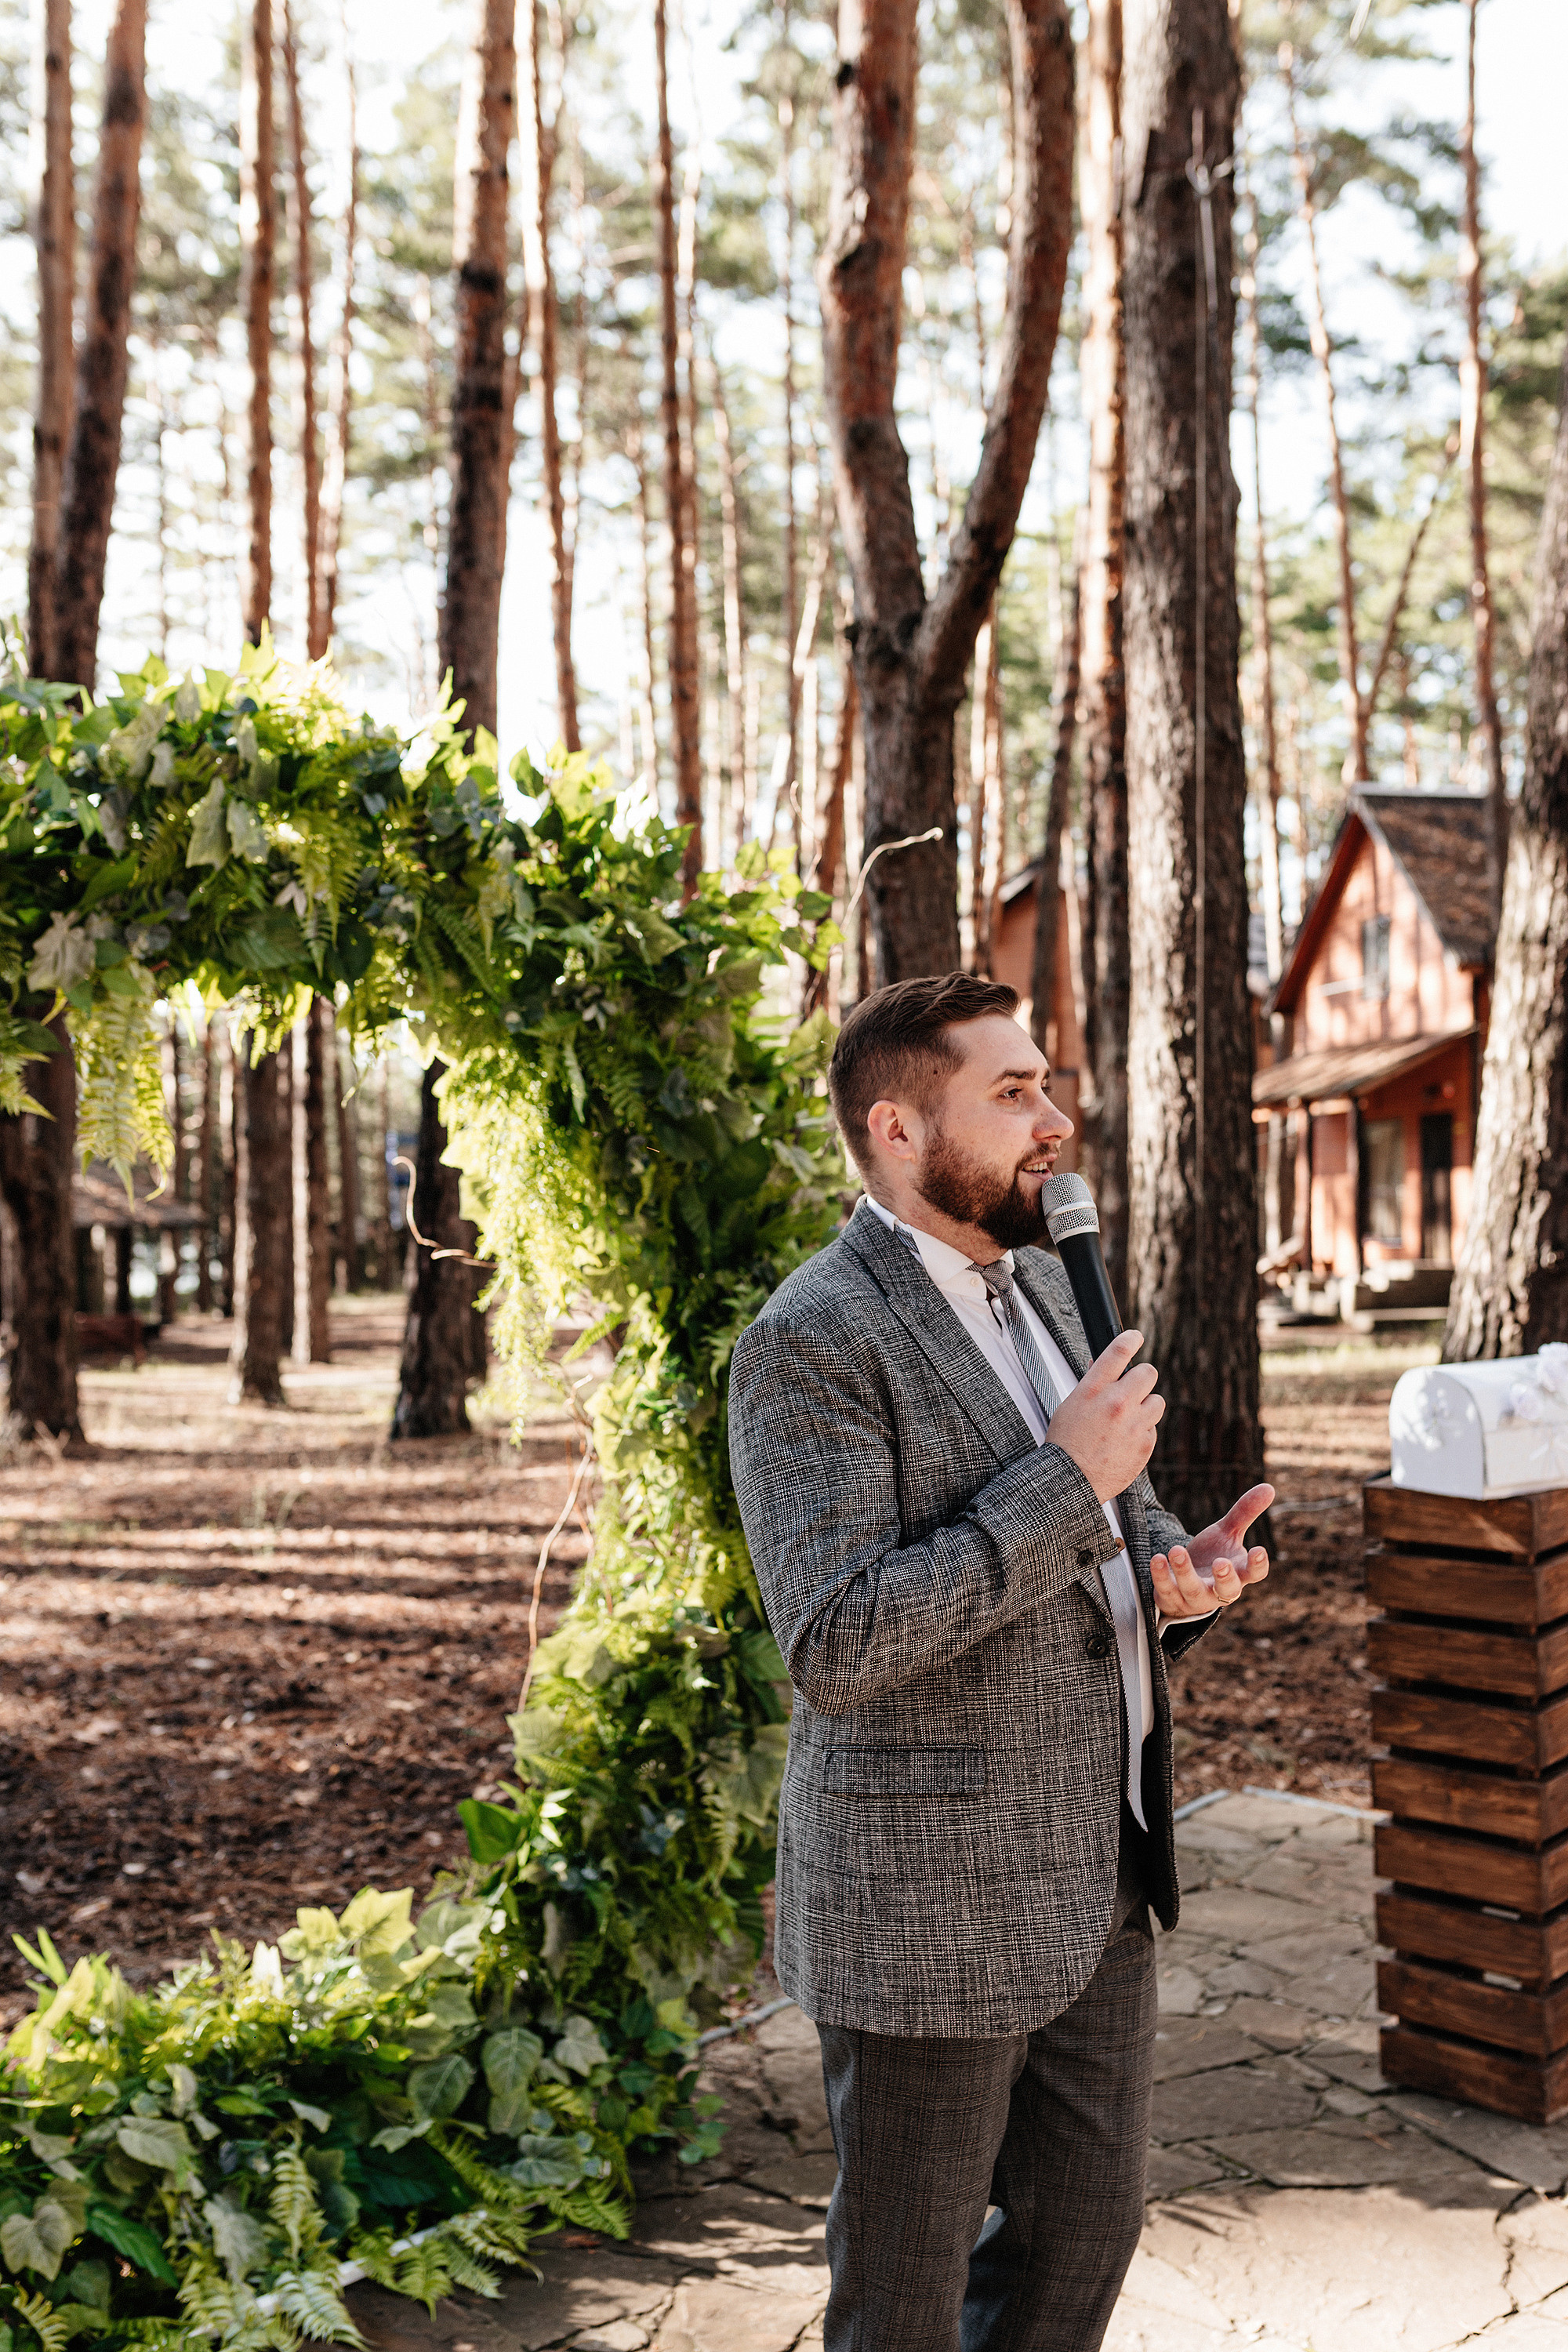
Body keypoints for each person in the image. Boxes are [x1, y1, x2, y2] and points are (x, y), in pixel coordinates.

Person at [727, 971, 1272, 2352]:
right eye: (1014, 1091)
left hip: (1100, 1859)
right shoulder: (807, 1342)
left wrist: (1180, 1584)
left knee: (1080, 2244)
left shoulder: (1044, 1287)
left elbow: (1115, 1530)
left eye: (1049, 1084)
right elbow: (840, 1642)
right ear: (899, 1129)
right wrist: (1058, 1479)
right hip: (931, 1901)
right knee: (904, 2301)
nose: (1057, 1121)